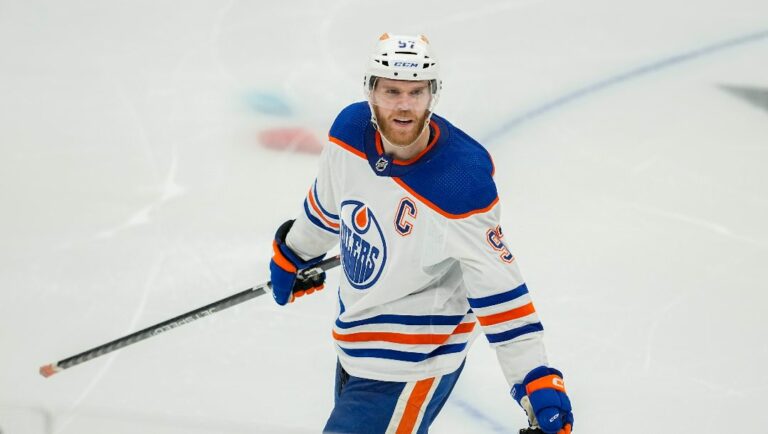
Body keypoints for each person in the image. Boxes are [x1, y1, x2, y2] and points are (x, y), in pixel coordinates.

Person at [268, 33, 574, 434]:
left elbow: (499, 289)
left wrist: (534, 375)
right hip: (355, 342)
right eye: (391, 91)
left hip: (415, 359)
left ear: (433, 95)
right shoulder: (348, 133)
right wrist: (294, 252)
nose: (404, 105)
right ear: (370, 91)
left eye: (416, 92)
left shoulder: (460, 183)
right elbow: (326, 208)